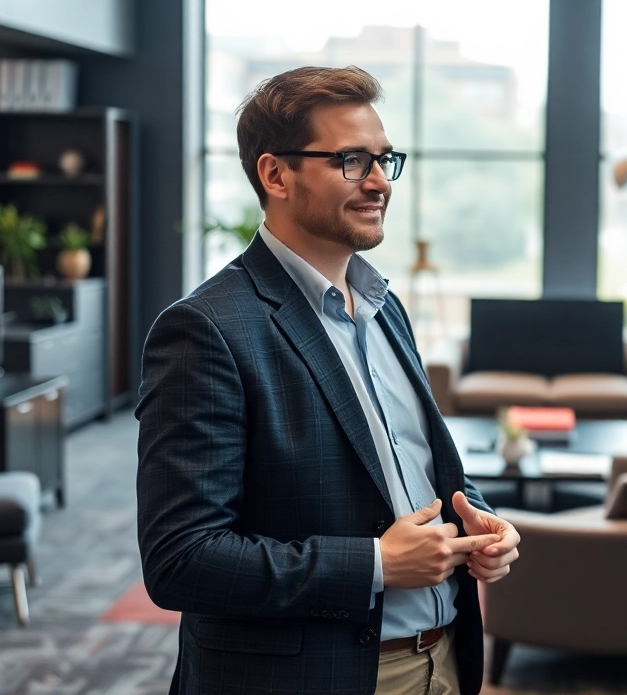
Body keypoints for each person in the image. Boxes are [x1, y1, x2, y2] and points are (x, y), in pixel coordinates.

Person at [136, 65, 519, 695]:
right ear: (275, 174)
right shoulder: (207, 330)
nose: (377, 182)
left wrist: (478, 519)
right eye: (349, 160)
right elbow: (182, 559)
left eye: (383, 159)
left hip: (443, 661)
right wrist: (374, 564)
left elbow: (407, 468)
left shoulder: (384, 305)